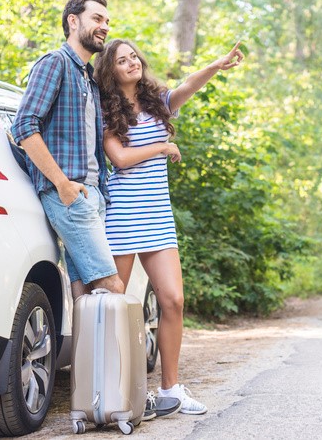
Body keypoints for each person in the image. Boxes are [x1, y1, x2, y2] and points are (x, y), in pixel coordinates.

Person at [10, 0, 179, 420]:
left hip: (92, 195)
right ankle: (128, 396)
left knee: (85, 295)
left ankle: (91, 399)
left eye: (107, 19)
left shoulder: (85, 76)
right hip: (73, 195)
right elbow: (24, 127)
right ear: (73, 21)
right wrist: (63, 185)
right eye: (97, 18)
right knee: (114, 291)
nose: (104, 25)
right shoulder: (54, 64)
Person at [93, 38, 244, 414]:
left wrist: (217, 65)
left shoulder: (156, 102)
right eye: (122, 60)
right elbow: (121, 159)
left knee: (173, 300)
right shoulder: (106, 110)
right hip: (124, 214)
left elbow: (188, 85)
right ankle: (114, 392)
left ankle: (170, 389)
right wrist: (161, 148)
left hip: (158, 215)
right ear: (111, 71)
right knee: (115, 306)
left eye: (133, 57)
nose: (131, 64)